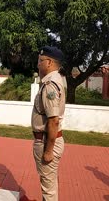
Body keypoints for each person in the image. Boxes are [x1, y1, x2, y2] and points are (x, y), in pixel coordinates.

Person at [31, 46, 66, 201]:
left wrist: (48, 151)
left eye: (40, 61)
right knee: (49, 183)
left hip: (47, 142)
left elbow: (53, 120)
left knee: (48, 189)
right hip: (48, 140)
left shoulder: (50, 84)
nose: (38, 64)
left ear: (49, 62)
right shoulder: (56, 80)